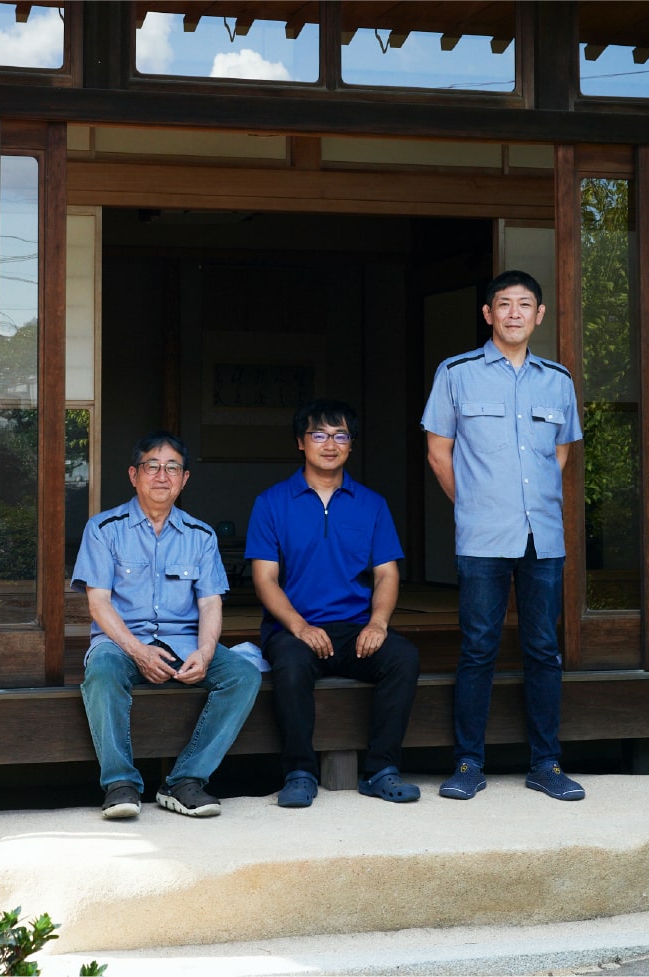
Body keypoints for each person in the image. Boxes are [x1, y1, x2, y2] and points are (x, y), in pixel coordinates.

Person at [421, 269, 585, 802]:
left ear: (539, 315)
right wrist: (475, 504)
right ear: (488, 313)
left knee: (543, 649)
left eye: (525, 304)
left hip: (543, 537)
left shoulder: (557, 380)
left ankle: (546, 763)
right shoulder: (457, 373)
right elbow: (438, 453)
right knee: (478, 648)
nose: (515, 313)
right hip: (482, 537)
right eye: (504, 304)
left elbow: (559, 455)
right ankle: (468, 763)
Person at [71, 430, 261, 819]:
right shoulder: (104, 529)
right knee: (102, 671)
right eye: (152, 466)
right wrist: (138, 651)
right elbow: (98, 603)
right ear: (133, 475)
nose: (162, 475)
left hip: (183, 642)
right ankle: (120, 784)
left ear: (184, 479)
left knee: (242, 675)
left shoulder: (201, 536)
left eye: (172, 468)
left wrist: (205, 652)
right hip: (122, 643)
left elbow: (210, 603)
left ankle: (184, 781)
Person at [245, 399, 420, 808]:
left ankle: (381, 770)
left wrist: (378, 623)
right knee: (290, 664)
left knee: (403, 657)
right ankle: (299, 773)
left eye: (340, 436)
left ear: (351, 444)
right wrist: (299, 626)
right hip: (295, 628)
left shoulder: (372, 504)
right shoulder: (271, 502)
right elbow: (264, 579)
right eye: (319, 435)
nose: (330, 444)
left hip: (356, 628)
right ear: (300, 442)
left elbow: (387, 574)